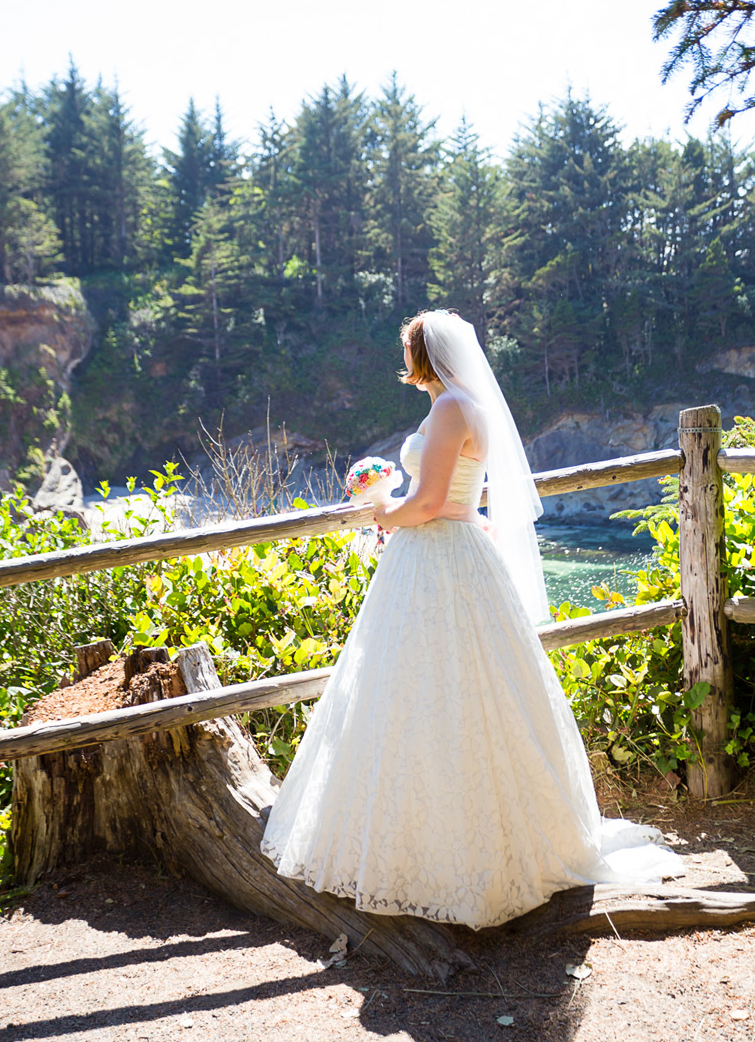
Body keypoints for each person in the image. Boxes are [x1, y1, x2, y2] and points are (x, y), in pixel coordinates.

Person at [260, 310, 682, 928]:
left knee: (422, 693)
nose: (405, 363)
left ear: (422, 355)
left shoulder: (452, 407)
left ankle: (438, 857)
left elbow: (430, 502)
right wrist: (406, 512)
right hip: (460, 552)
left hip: (434, 558)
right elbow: (459, 500)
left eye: (408, 351)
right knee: (463, 692)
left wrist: (382, 512)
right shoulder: (470, 404)